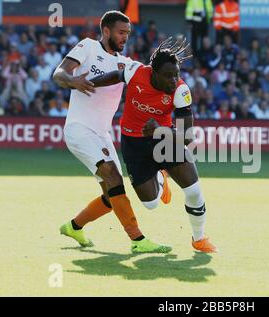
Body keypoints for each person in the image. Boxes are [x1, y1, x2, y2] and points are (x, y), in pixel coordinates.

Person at [52, 10, 170, 253]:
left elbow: (152, 76)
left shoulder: (126, 65)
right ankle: (138, 240)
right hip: (79, 130)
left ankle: (74, 227)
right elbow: (59, 73)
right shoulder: (87, 46)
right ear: (106, 31)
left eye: (127, 33)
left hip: (102, 135)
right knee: (113, 177)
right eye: (121, 32)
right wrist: (72, 81)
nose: (125, 37)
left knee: (112, 195)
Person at [90, 37, 218, 253]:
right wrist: (91, 83)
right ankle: (161, 177)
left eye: (176, 74)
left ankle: (199, 238)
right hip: (134, 143)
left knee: (194, 190)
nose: (173, 80)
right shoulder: (136, 73)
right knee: (150, 204)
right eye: (168, 76)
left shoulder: (180, 91)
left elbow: (187, 135)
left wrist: (160, 130)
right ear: (153, 72)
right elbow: (116, 75)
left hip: (167, 140)